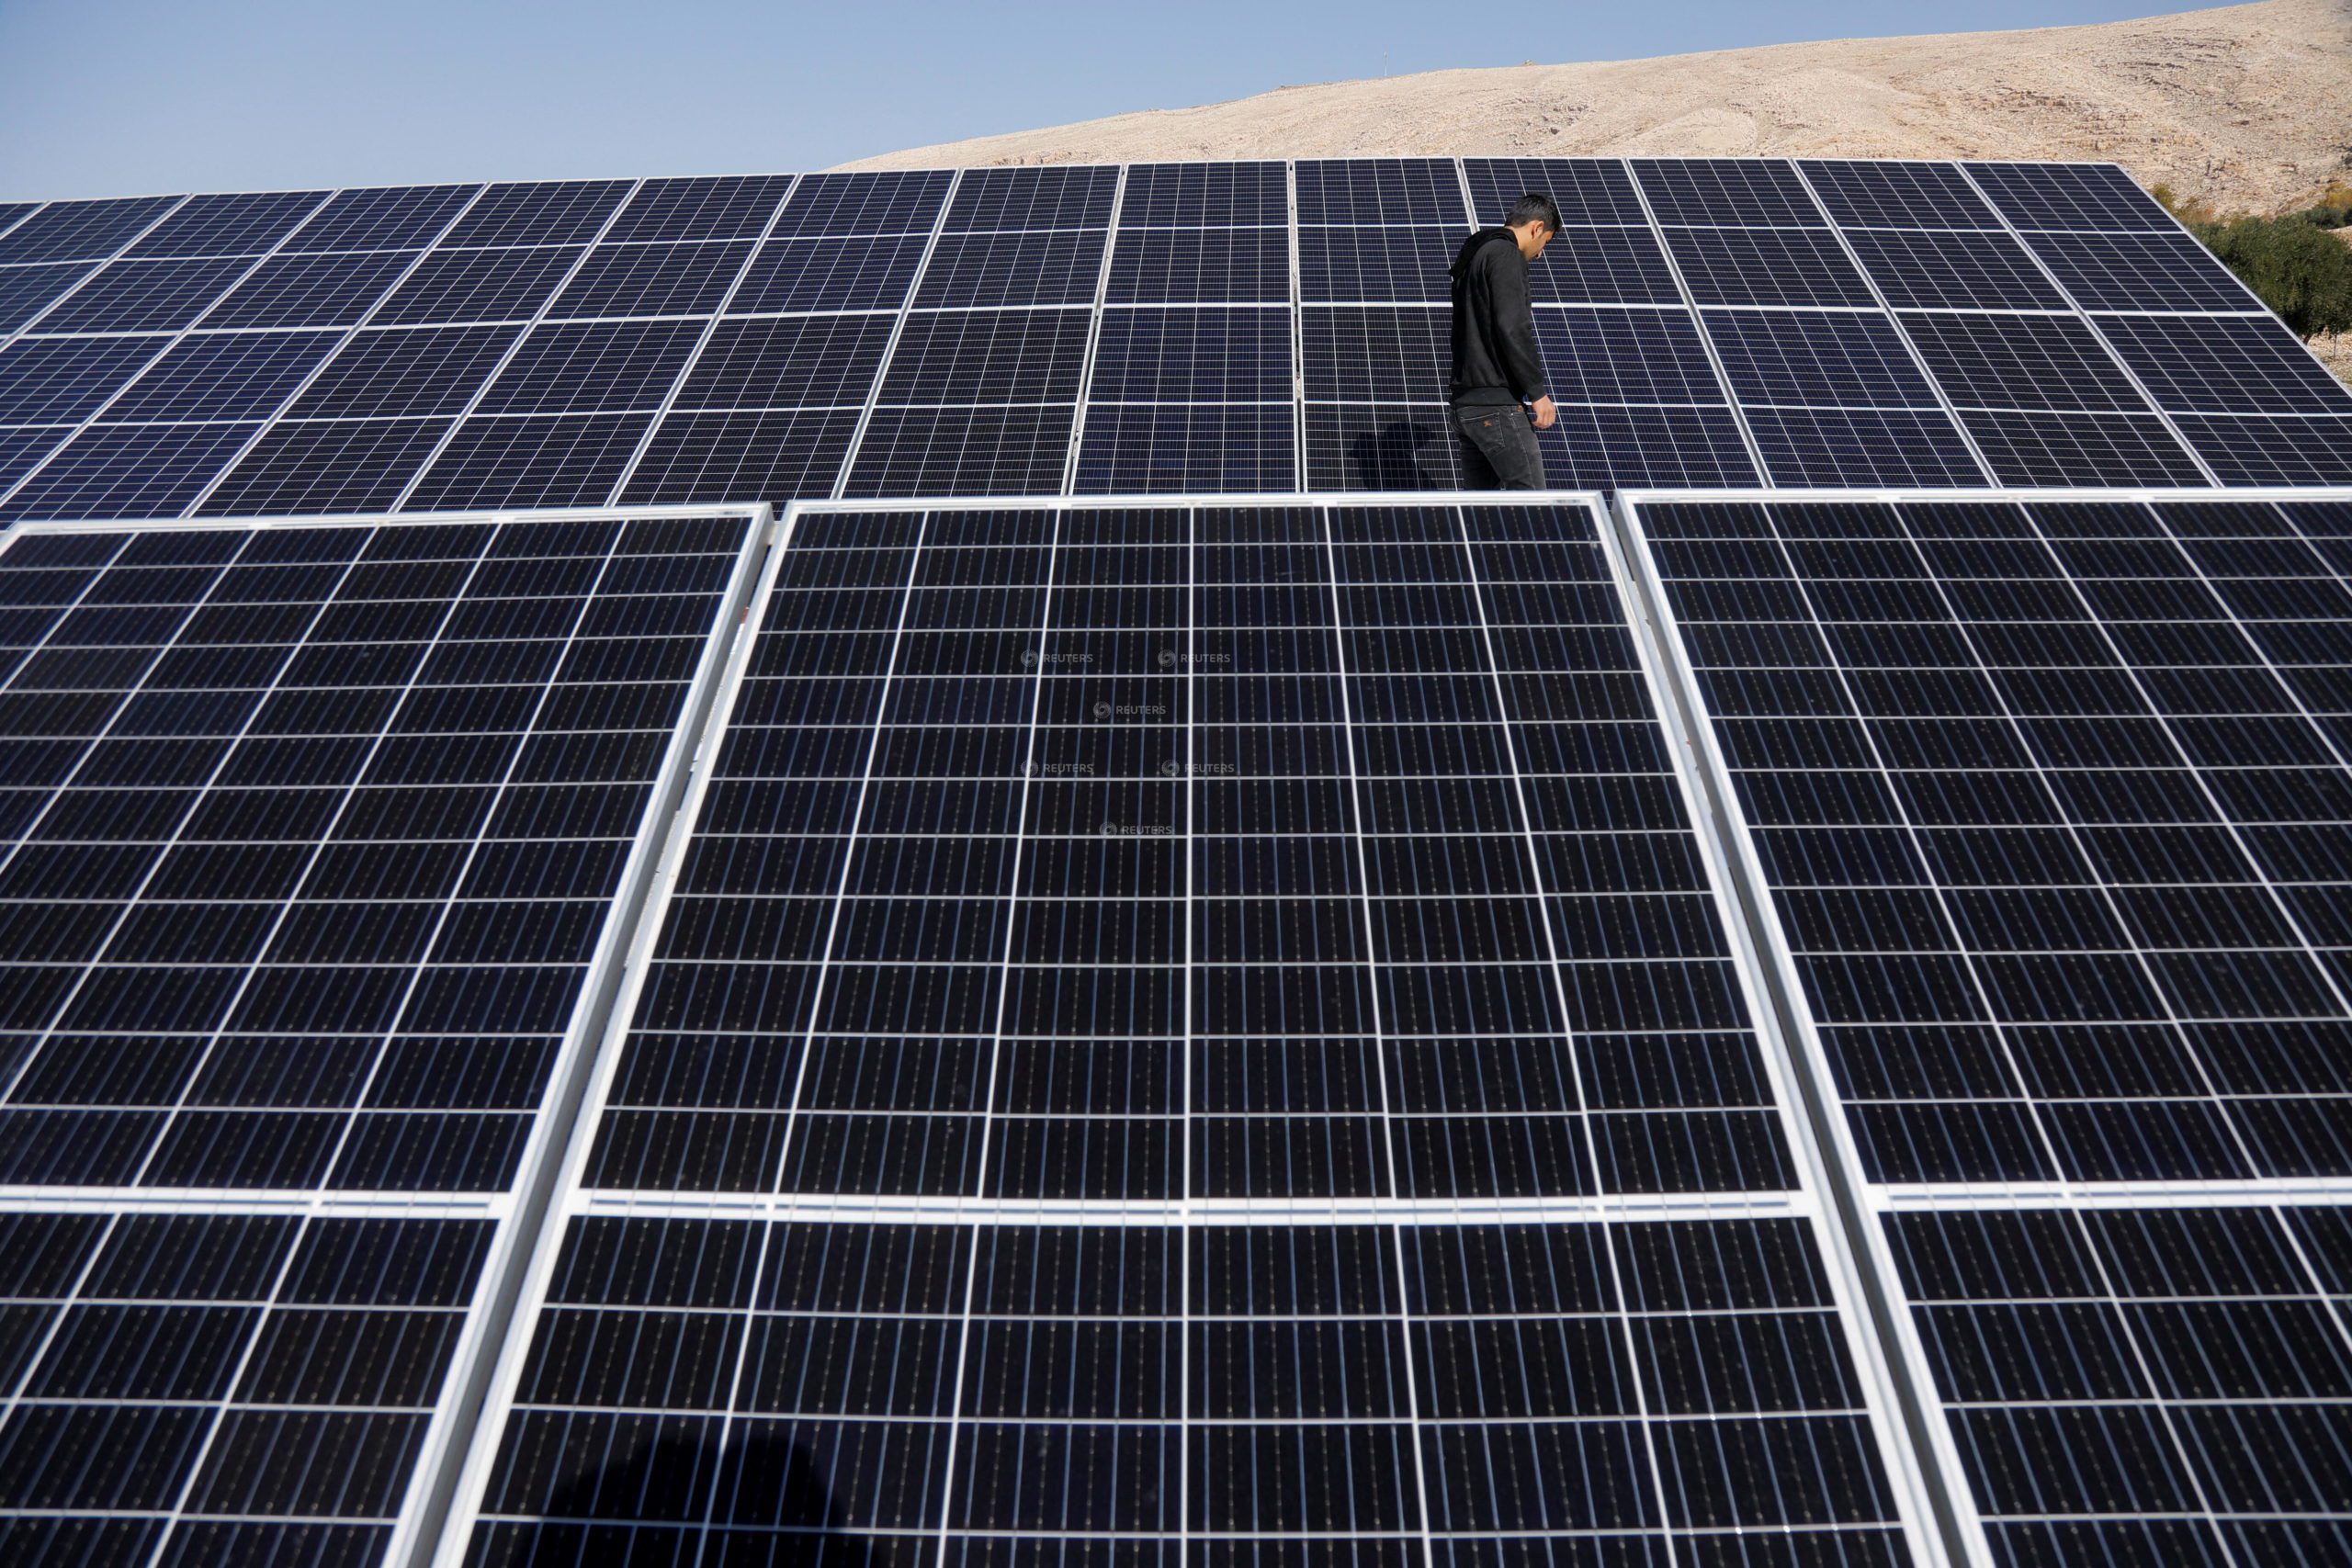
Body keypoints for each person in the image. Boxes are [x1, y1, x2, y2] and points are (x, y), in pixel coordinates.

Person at [1448, 193, 1561, 490]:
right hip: (1497, 407)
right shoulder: (1505, 255)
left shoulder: (1475, 255)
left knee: (1483, 510)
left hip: (1466, 406)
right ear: (1537, 228)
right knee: (1532, 503)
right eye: (1545, 243)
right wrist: (1537, 391)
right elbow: (1512, 326)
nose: (1540, 254)